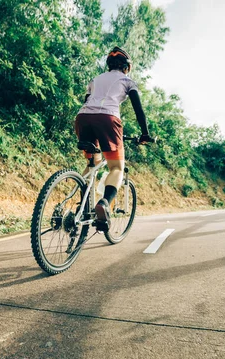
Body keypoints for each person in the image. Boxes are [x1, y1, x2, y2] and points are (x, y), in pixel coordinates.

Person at [75, 46, 154, 231]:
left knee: (92, 163)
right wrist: (145, 133)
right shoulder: (127, 81)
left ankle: (82, 205)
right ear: (126, 67)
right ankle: (104, 203)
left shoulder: (95, 79)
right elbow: (138, 109)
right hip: (108, 119)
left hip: (83, 118)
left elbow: (87, 100)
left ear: (109, 65)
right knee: (116, 167)